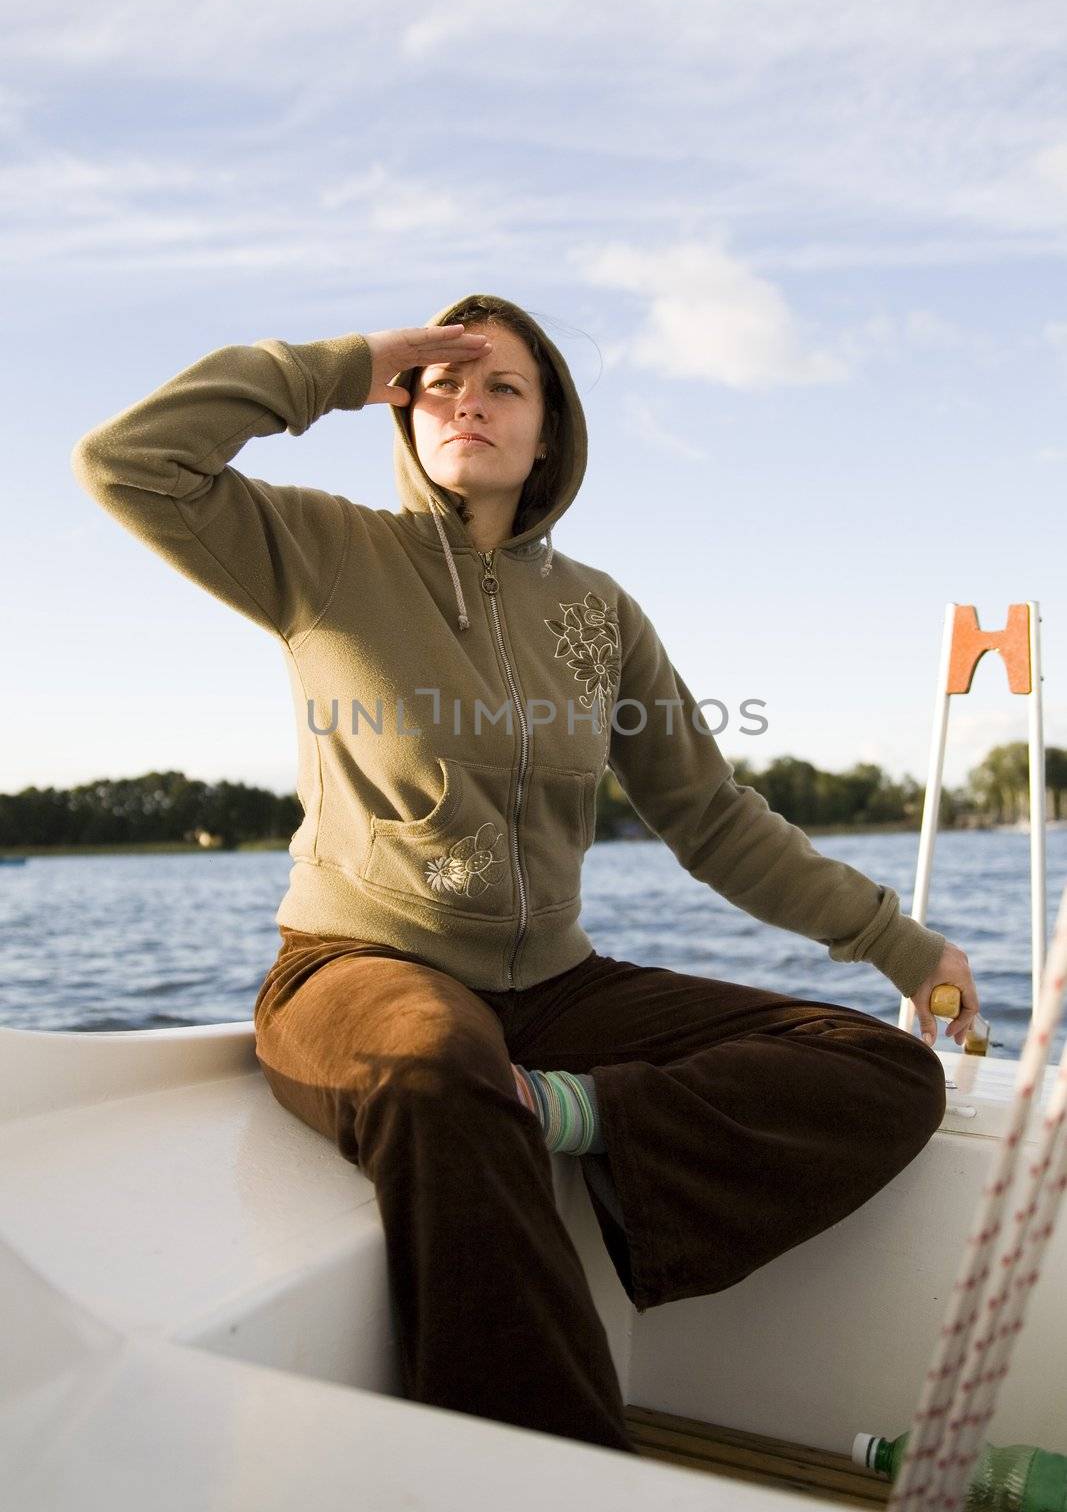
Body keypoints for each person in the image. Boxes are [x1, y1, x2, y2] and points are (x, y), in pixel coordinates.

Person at [71, 292, 980, 1458]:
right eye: (438, 383)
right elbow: (126, 461)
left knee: (878, 1068)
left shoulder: (599, 612)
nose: (466, 403)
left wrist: (900, 945)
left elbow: (707, 815)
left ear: (547, 433)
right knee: (439, 1067)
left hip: (553, 987)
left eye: (501, 385)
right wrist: (350, 365)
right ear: (400, 412)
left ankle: (573, 1116)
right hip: (357, 966)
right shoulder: (321, 550)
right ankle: (557, 1474)